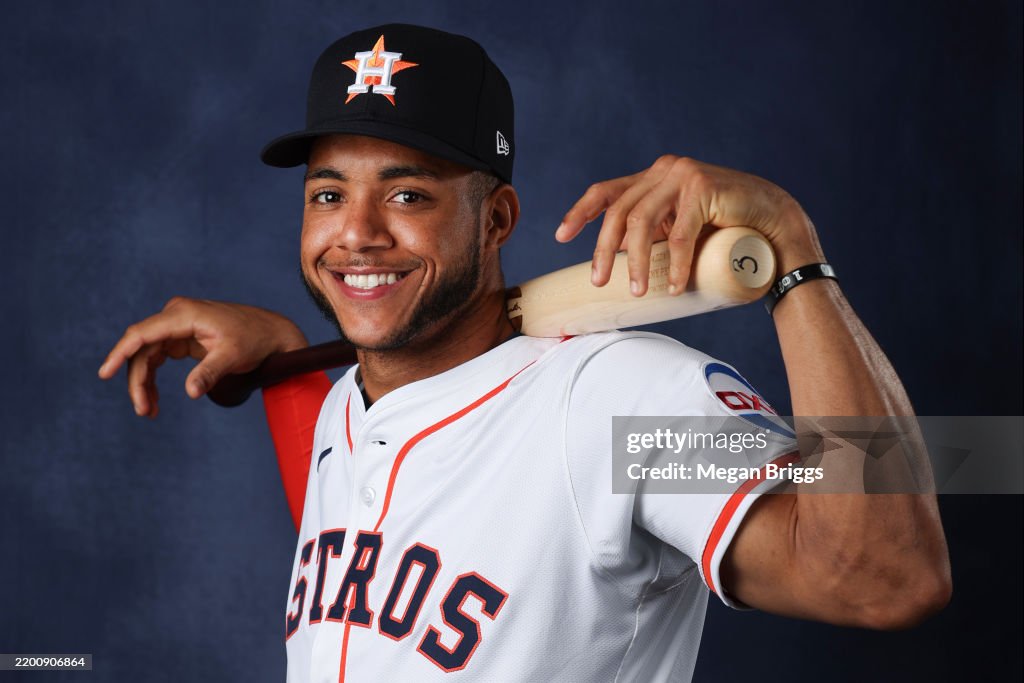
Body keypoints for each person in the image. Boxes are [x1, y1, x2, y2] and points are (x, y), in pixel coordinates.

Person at [98, 23, 951, 682]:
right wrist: (289, 366)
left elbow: (884, 575)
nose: (355, 232)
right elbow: (369, 531)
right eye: (329, 193)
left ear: (497, 220)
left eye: (407, 192)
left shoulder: (619, 404)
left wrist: (794, 259)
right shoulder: (348, 409)